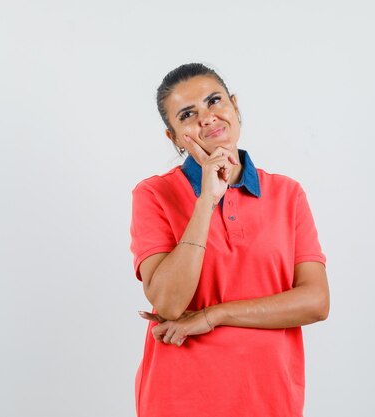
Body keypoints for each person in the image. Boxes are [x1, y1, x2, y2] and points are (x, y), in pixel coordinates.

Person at [129, 63, 330, 417]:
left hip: (269, 398)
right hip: (181, 399)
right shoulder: (154, 194)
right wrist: (206, 199)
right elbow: (170, 303)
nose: (207, 118)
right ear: (174, 138)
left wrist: (214, 315)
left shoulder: (287, 194)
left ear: (235, 106)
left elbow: (315, 302)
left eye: (214, 101)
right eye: (188, 114)